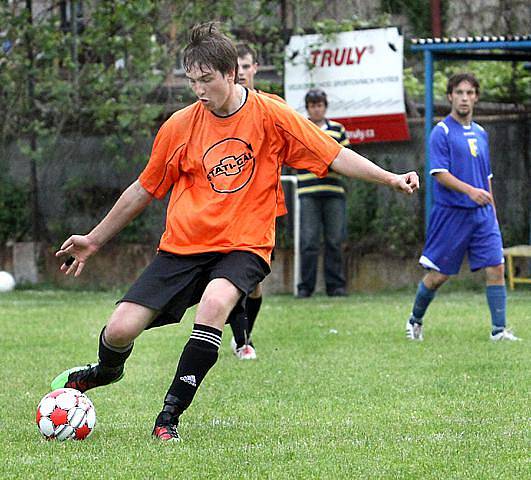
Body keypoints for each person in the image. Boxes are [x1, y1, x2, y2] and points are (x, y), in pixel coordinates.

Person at [51, 22, 419, 442]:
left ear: (233, 74)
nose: (199, 91)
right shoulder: (179, 126)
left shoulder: (270, 115)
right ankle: (105, 371)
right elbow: (143, 189)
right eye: (192, 81)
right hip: (183, 247)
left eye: (206, 80)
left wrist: (390, 178)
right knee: (119, 330)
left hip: (244, 244)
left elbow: (334, 155)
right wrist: (94, 240)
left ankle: (167, 418)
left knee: (215, 303)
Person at [405, 72, 520, 342]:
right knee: (439, 275)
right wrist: (471, 192)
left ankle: (499, 331)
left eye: (470, 93)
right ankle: (414, 320)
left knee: (497, 267)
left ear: (476, 97)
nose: (465, 98)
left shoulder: (481, 132)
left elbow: (486, 177)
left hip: (482, 216)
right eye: (459, 93)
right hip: (452, 214)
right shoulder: (441, 132)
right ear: (450, 97)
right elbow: (439, 173)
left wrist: (492, 213)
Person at [225, 42, 288, 361]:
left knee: (255, 285)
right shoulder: (219, 112)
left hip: (265, 208)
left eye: (245, 66)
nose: (241, 73)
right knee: (231, 279)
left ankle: (244, 334)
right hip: (227, 210)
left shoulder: (272, 106)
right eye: (235, 67)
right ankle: (241, 340)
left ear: (255, 68)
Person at [296, 88, 350, 298]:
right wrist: (325, 160)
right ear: (308, 108)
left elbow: (345, 157)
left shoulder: (338, 129)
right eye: (312, 105)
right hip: (308, 191)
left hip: (334, 191)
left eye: (319, 105)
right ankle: (305, 287)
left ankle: (335, 286)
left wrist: (325, 161)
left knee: (335, 241)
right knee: (308, 241)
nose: (316, 109)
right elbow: (298, 156)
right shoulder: (301, 127)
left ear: (325, 107)